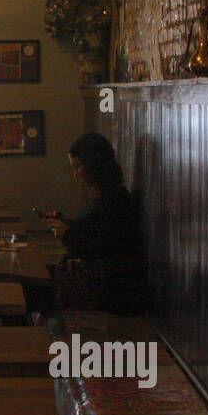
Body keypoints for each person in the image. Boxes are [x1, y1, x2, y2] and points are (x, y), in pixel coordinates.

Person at [42, 132, 144, 314]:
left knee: (29, 290)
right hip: (100, 283)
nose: (76, 174)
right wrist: (66, 224)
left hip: (109, 290)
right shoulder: (106, 194)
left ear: (94, 163)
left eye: (78, 167)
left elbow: (102, 248)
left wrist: (68, 232)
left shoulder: (115, 200)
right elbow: (94, 232)